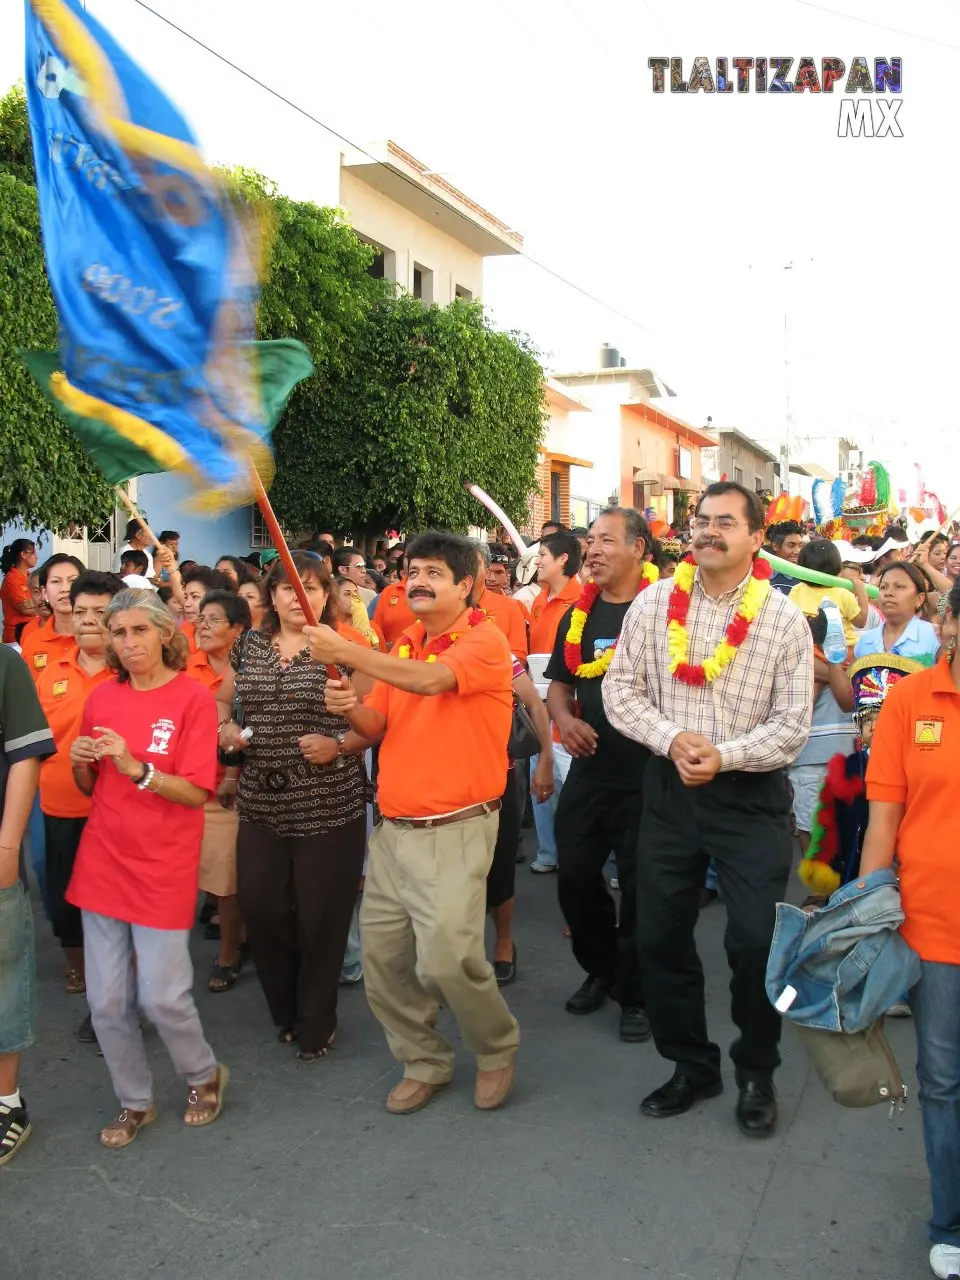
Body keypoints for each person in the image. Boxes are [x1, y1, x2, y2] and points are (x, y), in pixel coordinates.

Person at [603, 481, 813, 1135]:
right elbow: (621, 689)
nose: (709, 531)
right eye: (701, 520)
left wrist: (726, 756)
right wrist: (672, 740)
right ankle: (692, 1066)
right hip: (669, 790)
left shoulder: (782, 621)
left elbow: (792, 725)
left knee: (753, 943)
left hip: (750, 798)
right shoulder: (652, 604)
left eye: (726, 522)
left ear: (757, 538)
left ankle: (756, 1070)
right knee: (659, 935)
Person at [307, 530, 520, 1114]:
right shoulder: (402, 646)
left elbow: (433, 682)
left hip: (457, 828)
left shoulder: (485, 642)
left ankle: (496, 1048)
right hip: (395, 830)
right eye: (412, 571)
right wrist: (350, 706)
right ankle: (423, 1060)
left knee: (450, 957)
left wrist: (347, 654)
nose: (418, 582)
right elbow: (376, 727)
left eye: (433, 572)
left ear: (466, 585)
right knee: (385, 962)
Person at [67, 589, 226, 1148]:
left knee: (162, 997)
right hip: (104, 860)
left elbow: (194, 791)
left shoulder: (192, 700)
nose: (129, 643)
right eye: (119, 634)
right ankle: (134, 1100)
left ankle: (203, 1073)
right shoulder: (102, 699)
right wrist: (80, 762)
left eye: (139, 631)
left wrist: (137, 769)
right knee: (106, 1001)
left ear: (165, 633)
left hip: (163, 864)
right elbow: (90, 788)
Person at [215, 555, 367, 1062]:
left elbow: (374, 723)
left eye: (311, 588)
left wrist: (338, 745)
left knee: (322, 918)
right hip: (262, 800)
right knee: (262, 908)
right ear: (272, 595)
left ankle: (316, 1022)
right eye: (287, 588)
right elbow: (223, 703)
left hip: (328, 804)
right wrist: (225, 733)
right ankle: (284, 1009)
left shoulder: (344, 649)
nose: (298, 597)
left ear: (326, 596)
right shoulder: (250, 647)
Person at [859, 585, 960, 1280]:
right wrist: (868, 918)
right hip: (933, 928)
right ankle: (948, 1221)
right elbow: (884, 821)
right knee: (945, 1082)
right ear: (948, 622)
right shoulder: (911, 699)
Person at [545, 509, 659, 1042]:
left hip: (648, 778)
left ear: (639, 549)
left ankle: (636, 992)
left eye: (606, 540)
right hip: (590, 774)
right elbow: (560, 686)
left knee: (641, 891)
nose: (592, 550)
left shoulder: (665, 612)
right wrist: (565, 721)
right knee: (574, 878)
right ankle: (603, 968)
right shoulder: (578, 616)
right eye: (590, 540)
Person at [35, 571, 122, 1041]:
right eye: (82, 610)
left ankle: (113, 1005)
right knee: (65, 907)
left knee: (112, 913)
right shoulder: (51, 670)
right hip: (58, 809)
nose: (89, 621)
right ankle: (90, 982)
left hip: (114, 816)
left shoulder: (131, 677)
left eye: (100, 613)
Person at [0, 646, 55, 1166]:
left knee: (2, 969)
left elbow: (25, 756)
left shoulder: (4, 664)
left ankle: (7, 1103)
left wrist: (8, 846)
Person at [186, 590, 251, 993]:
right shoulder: (179, 665)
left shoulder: (251, 670)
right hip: (183, 786)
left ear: (237, 629)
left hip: (228, 790)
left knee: (226, 879)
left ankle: (230, 951)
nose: (202, 625)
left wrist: (231, 774)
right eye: (201, 618)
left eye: (213, 619)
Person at [526, 532, 583, 874]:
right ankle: (549, 852)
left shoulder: (583, 601)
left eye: (543, 554)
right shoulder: (538, 600)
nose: (537, 560)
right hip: (538, 704)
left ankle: (590, 858)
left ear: (563, 560)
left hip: (569, 708)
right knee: (540, 781)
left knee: (575, 787)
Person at [787, 609, 856, 857]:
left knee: (833, 824)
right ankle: (818, 888)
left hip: (843, 755)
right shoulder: (802, 662)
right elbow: (805, 703)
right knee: (811, 824)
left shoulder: (853, 661)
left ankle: (830, 888)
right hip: (812, 757)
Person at [853, 562, 940, 664]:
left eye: (899, 586)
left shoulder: (935, 636)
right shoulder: (866, 641)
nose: (888, 593)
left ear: (919, 599)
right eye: (883, 587)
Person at [788, 539, 868, 648]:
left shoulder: (797, 590)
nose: (861, 574)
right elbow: (861, 622)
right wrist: (862, 594)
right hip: (844, 651)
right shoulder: (842, 594)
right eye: (857, 568)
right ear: (837, 566)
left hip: (808, 648)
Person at [19, 555, 84, 679]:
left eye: (72, 581)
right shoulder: (33, 642)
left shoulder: (100, 638)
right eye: (55, 581)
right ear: (44, 593)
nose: (65, 589)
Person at [475, 542, 528, 663]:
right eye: (487, 571)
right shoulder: (461, 603)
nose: (491, 578)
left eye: (498, 572)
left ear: (507, 575)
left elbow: (519, 655)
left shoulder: (515, 607)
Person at [180, 565, 234, 651]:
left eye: (195, 596)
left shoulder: (231, 643)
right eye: (186, 597)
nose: (186, 604)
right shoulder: (181, 634)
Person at [372, 554, 417, 649]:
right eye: (407, 555)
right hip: (390, 657)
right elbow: (376, 628)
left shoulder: (438, 591)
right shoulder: (389, 591)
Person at [1, 540, 39, 643]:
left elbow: (43, 599)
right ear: (23, 555)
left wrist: (34, 604)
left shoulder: (30, 577)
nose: (37, 557)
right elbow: (26, 610)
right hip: (15, 639)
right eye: (33, 553)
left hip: (31, 634)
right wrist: (48, 608)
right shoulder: (11, 579)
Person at [765, 520, 804, 595]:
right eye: (791, 545)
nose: (797, 551)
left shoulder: (805, 578)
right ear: (775, 546)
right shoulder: (761, 576)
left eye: (800, 545)